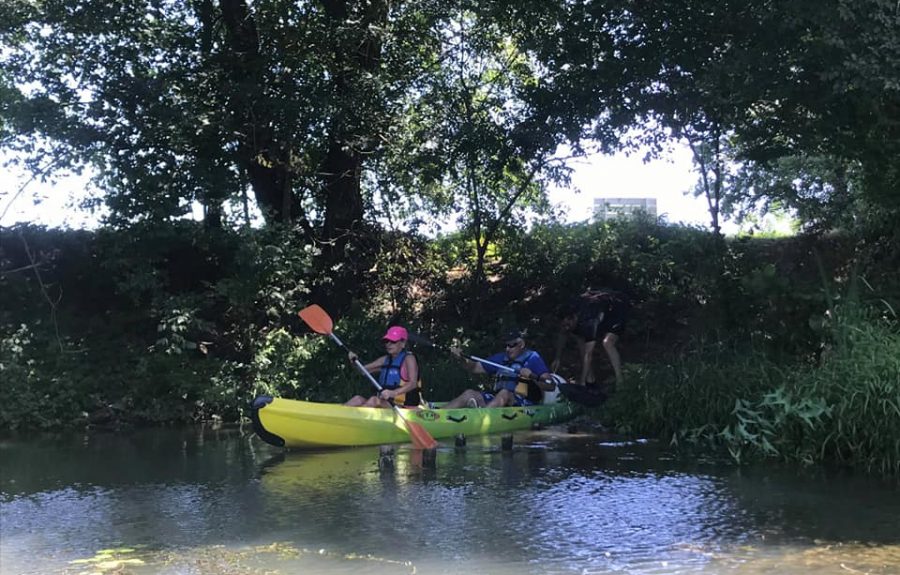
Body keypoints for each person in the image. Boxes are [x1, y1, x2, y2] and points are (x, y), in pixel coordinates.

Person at [442, 329, 555, 408]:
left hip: (523, 402)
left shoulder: (532, 358)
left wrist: (531, 376)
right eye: (506, 345)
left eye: (511, 345)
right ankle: (436, 416)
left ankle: (481, 419)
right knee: (469, 393)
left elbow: (550, 385)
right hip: (499, 400)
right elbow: (475, 367)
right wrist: (461, 359)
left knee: (504, 393)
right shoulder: (501, 358)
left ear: (521, 344)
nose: (507, 349)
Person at [553, 288, 629, 387]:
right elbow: (562, 333)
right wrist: (557, 358)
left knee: (607, 343)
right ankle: (590, 380)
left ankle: (620, 381)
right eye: (563, 325)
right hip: (600, 309)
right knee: (580, 339)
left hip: (617, 307)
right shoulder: (568, 311)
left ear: (573, 318)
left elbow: (588, 355)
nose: (566, 327)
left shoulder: (589, 321)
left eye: (568, 325)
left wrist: (581, 382)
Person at [345, 326, 423, 408]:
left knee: (374, 400)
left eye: (393, 341)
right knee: (357, 399)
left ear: (403, 343)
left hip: (404, 406)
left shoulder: (409, 358)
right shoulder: (385, 360)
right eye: (386, 341)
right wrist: (354, 361)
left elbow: (413, 384)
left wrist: (393, 393)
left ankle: (359, 419)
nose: (388, 344)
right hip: (386, 403)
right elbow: (362, 371)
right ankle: (337, 417)